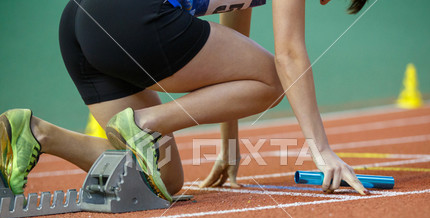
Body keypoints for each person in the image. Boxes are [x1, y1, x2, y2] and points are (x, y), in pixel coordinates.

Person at [0, 0, 370, 202]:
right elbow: (288, 56)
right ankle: (145, 124)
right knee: (275, 80)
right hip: (131, 15)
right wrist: (322, 152)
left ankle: (37, 133)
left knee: (162, 176)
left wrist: (229, 147)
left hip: (80, 20)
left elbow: (234, 39)